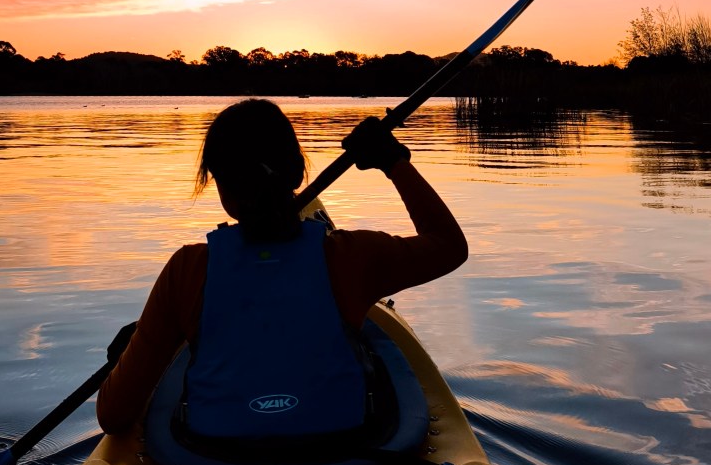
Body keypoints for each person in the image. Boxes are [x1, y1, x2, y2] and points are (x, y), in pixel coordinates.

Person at [96, 99, 468, 445]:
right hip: (337, 452)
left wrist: (125, 359)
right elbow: (449, 246)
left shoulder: (187, 270)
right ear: (297, 172)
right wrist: (393, 161)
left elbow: (114, 417)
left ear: (220, 185)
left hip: (217, 461)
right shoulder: (353, 257)